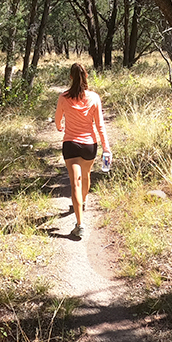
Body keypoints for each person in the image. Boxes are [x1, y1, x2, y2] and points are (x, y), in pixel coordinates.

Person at [55, 63, 111, 236]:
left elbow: (58, 120)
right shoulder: (94, 97)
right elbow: (100, 125)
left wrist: (60, 126)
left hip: (71, 145)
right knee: (85, 177)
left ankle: (79, 225)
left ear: (71, 77)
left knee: (75, 184)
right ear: (86, 76)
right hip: (89, 146)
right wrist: (106, 147)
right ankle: (83, 201)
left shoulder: (63, 97)